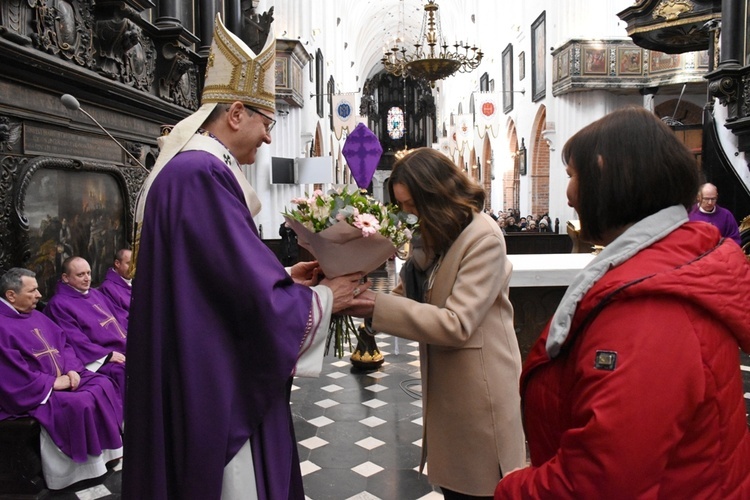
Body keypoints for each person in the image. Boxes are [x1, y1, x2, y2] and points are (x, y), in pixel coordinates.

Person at [121, 14, 363, 500]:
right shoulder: (201, 176)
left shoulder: (186, 170)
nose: (270, 137)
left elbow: (211, 283)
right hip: (213, 380)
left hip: (195, 360)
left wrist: (281, 277)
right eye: (266, 123)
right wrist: (322, 299)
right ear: (235, 114)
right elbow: (248, 304)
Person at [494, 107, 750, 499]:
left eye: (572, 176)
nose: (570, 195)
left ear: (602, 170)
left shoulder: (648, 310)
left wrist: (513, 489)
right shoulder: (669, 266)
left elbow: (600, 482)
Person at [346, 147, 526, 499]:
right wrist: (354, 294)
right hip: (450, 392)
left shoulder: (482, 237)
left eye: (413, 205)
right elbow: (408, 295)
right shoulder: (437, 234)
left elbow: (456, 323)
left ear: (436, 195)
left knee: (481, 489)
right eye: (403, 207)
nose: (409, 215)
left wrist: (376, 307)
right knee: (455, 488)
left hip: (480, 392)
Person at [0, 268, 123, 490]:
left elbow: (63, 344)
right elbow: (9, 372)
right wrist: (51, 383)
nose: (39, 295)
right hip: (34, 388)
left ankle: (104, 458)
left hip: (64, 377)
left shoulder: (35, 315)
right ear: (11, 295)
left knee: (102, 383)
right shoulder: (2, 326)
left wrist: (73, 369)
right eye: (33, 290)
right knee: (79, 402)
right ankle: (76, 471)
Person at [43, 256, 127, 402]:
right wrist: (106, 355)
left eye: (88, 273)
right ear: (65, 277)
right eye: (80, 275)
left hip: (121, 348)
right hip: (96, 358)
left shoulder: (95, 293)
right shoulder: (59, 304)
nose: (87, 278)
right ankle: (128, 420)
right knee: (123, 370)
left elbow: (119, 318)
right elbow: (74, 339)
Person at [97, 248, 132, 329]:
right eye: (129, 263)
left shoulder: (137, 281)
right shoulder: (108, 288)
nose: (133, 268)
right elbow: (120, 319)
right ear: (117, 263)